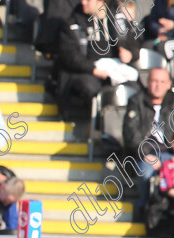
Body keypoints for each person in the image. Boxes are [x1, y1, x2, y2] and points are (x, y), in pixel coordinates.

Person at [54, 0, 139, 117]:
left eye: (88, 0)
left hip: (117, 71)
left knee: (135, 89)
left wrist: (130, 54)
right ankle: (103, 125)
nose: (83, 2)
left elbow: (135, 46)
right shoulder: (73, 23)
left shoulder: (118, 21)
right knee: (91, 88)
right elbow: (69, 55)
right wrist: (93, 69)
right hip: (87, 72)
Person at [123, 68, 174, 221]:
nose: (158, 85)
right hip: (145, 154)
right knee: (146, 174)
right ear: (147, 82)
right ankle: (143, 209)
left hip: (169, 154)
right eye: (154, 81)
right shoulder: (136, 101)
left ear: (169, 84)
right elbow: (131, 134)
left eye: (162, 82)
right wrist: (147, 155)